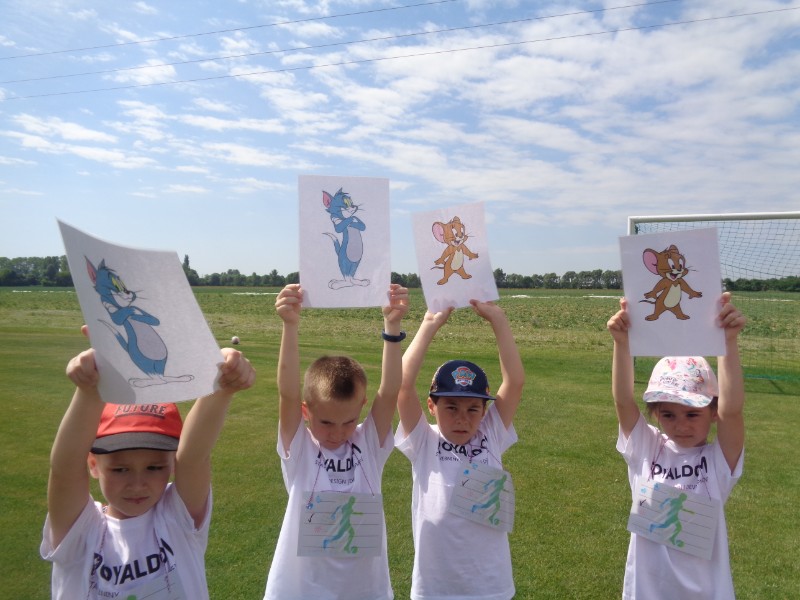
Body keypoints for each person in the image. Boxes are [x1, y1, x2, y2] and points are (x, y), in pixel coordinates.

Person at [41, 326, 256, 600]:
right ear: (93, 464)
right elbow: (65, 470)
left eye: (154, 467)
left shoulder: (176, 517)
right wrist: (90, 392)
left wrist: (221, 386)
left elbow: (193, 456)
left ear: (172, 465)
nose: (137, 484)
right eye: (120, 469)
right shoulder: (81, 532)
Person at [264, 283, 409, 600]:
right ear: (306, 412)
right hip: (303, 591)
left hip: (365, 590)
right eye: (326, 422)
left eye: (348, 421)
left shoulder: (368, 444)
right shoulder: (300, 449)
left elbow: (389, 391)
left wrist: (392, 325)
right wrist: (290, 325)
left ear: (362, 407)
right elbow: (288, 393)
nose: (338, 432)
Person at [607, 291, 746, 599]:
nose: (681, 425)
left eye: (692, 414)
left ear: (713, 413)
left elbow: (732, 411)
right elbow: (623, 400)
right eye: (668, 414)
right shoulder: (646, 448)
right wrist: (622, 343)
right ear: (655, 414)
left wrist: (727, 343)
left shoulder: (719, 461)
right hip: (648, 591)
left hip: (705, 592)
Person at [395, 300, 525, 600]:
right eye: (451, 407)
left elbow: (515, 382)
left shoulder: (491, 433)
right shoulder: (424, 440)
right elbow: (402, 385)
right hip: (435, 587)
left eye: (473, 409)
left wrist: (498, 320)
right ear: (432, 406)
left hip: (490, 585)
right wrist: (429, 325)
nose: (462, 419)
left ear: (484, 410)